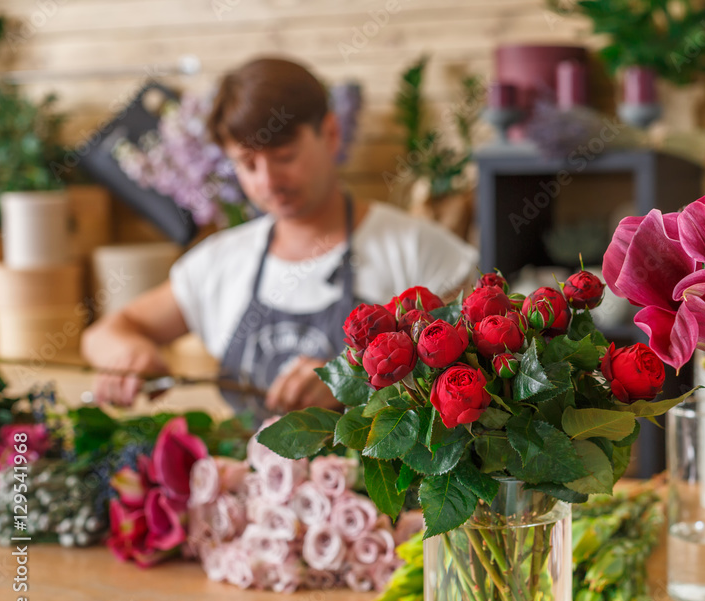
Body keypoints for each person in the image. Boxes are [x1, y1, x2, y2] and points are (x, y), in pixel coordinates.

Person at [82, 57, 478, 418]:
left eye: (285, 156)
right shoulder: (219, 263)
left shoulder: (419, 251)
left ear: (331, 133)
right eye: (248, 164)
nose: (268, 181)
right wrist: (126, 353)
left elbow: (482, 379)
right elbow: (106, 332)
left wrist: (350, 381)